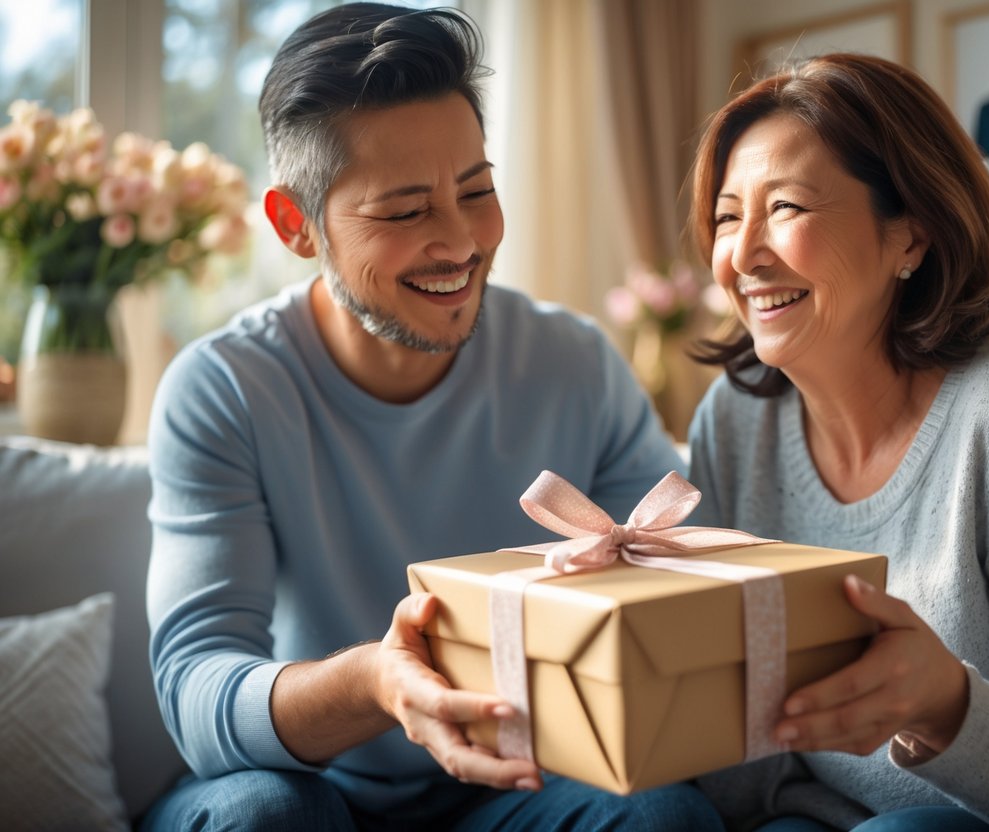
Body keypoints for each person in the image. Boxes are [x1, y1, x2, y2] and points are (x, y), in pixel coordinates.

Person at [141, 5, 722, 831]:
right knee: (259, 816)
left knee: (664, 815)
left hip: (515, 789)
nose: (459, 241)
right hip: (315, 788)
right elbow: (196, 691)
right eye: (405, 212)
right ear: (294, 225)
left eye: (476, 191)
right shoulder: (225, 388)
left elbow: (678, 602)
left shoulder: (573, 362)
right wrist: (378, 683)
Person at [684, 54, 989, 831]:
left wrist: (947, 706)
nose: (742, 255)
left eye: (785, 208)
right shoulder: (733, 420)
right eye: (726, 216)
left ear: (909, 233)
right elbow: (749, 759)